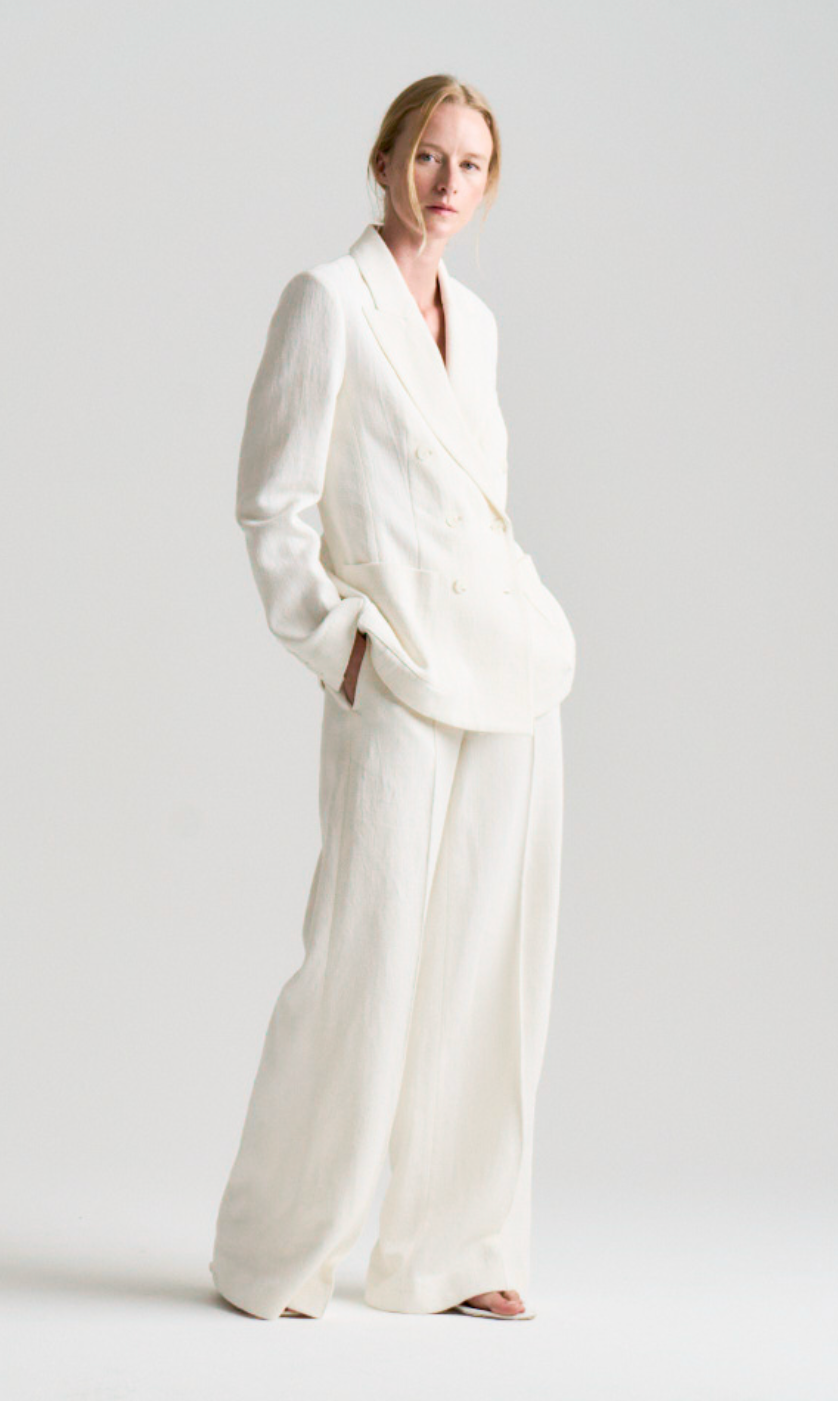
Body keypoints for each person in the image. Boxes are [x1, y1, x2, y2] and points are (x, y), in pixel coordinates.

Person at [209, 74, 577, 1321]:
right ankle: (279, 1250)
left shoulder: (479, 324)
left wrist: (527, 616)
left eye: (470, 164)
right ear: (383, 162)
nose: (446, 182)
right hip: (399, 672)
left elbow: (479, 506)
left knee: (486, 965)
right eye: (428, 155)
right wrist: (342, 649)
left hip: (507, 673)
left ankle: (454, 1255)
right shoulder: (328, 300)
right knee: (360, 961)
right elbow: (273, 505)